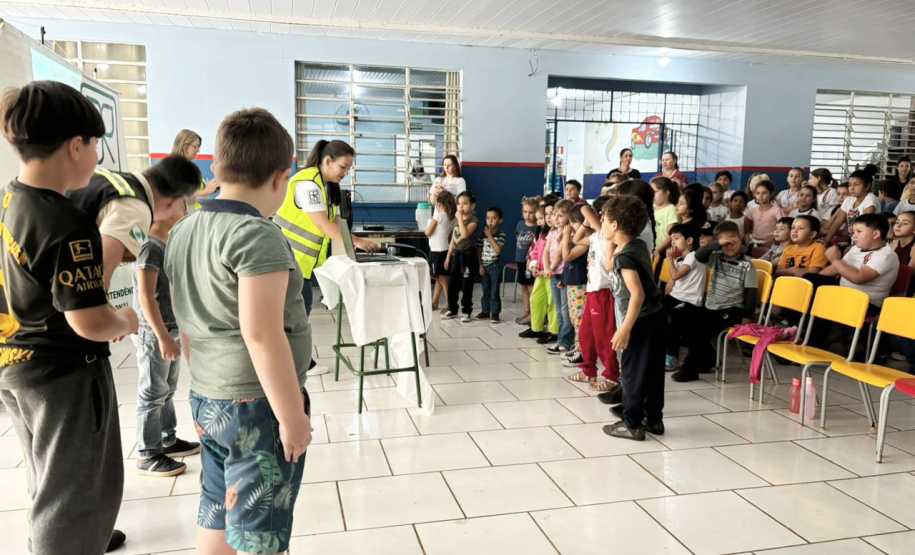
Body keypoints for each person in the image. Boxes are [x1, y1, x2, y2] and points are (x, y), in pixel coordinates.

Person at [165, 108, 313, 555]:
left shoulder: (183, 230)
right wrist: (291, 418)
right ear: (279, 179)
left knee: (218, 505)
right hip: (257, 406)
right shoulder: (256, 234)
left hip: (210, 396)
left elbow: (184, 320)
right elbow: (262, 334)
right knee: (259, 532)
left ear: (216, 167)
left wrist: (204, 386)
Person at [0, 81, 139, 555]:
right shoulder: (67, 223)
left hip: (17, 368)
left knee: (48, 480)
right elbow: (89, 322)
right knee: (77, 496)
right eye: (96, 145)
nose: (97, 157)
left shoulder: (10, 200)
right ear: (76, 145)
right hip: (64, 377)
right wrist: (126, 320)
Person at [275, 139, 379, 376]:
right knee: (295, 315)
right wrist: (357, 242)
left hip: (302, 263)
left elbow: (333, 223)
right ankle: (300, 365)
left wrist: (353, 238)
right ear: (328, 161)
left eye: (349, 169)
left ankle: (298, 363)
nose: (345, 173)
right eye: (343, 167)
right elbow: (323, 225)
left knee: (298, 313)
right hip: (287, 259)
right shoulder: (308, 183)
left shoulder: (324, 185)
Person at [132, 201, 201, 477]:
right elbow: (145, 296)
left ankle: (167, 439)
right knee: (152, 392)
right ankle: (148, 454)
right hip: (154, 331)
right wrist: (161, 336)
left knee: (167, 389)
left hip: (168, 326)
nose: (185, 213)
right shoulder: (150, 247)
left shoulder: (164, 243)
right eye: (181, 207)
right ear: (163, 208)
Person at [67, 154, 201, 290]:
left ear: (152, 169)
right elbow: (93, 280)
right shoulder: (136, 208)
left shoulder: (107, 176)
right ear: (175, 202)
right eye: (181, 207)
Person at [600, 195, 665, 441]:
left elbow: (637, 295)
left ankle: (632, 423)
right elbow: (609, 263)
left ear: (614, 224)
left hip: (640, 320)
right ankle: (653, 419)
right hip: (655, 316)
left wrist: (625, 329)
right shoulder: (634, 246)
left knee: (633, 372)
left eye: (604, 219)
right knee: (652, 371)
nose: (601, 223)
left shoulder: (625, 257)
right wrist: (610, 240)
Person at [687, 221, 759, 382]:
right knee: (692, 322)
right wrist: (717, 244)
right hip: (711, 305)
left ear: (741, 239)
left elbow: (751, 293)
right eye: (725, 243)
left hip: (732, 309)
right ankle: (707, 359)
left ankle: (691, 367)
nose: (730, 246)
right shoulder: (716, 258)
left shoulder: (747, 264)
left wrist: (748, 316)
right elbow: (699, 255)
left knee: (702, 326)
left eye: (733, 241)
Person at [567, 198, 621, 393]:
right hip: (592, 291)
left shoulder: (608, 238)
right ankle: (588, 370)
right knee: (585, 333)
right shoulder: (596, 236)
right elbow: (575, 239)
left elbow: (584, 208)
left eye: (603, 217)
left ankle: (612, 376)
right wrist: (585, 224)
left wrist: (592, 216)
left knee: (604, 337)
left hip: (603, 292)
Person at [662, 223, 707, 373]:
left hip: (690, 301)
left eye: (676, 238)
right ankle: (659, 351)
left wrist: (669, 257)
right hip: (676, 296)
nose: (672, 242)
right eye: (671, 239)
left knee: (672, 317)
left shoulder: (693, 256)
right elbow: (672, 282)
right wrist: (665, 298)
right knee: (653, 310)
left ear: (689, 241)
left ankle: (673, 357)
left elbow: (674, 275)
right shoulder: (681, 258)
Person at [519, 204, 558, 342]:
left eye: (550, 214)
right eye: (545, 215)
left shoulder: (557, 233)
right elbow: (535, 251)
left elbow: (556, 255)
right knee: (536, 299)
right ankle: (537, 328)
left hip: (551, 273)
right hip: (540, 274)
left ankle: (554, 332)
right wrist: (534, 266)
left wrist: (547, 269)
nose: (548, 218)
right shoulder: (542, 233)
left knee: (552, 302)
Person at [560, 204, 589, 367]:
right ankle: (578, 346)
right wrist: (563, 279)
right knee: (573, 317)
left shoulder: (584, 242)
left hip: (580, 285)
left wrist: (565, 237)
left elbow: (567, 257)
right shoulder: (577, 239)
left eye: (574, 223)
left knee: (579, 319)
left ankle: (582, 350)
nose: (571, 226)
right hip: (572, 284)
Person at [546, 200, 576, 354]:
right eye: (554, 215)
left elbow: (559, 254)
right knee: (558, 310)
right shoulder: (552, 233)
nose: (556, 219)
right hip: (553, 274)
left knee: (566, 310)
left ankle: (565, 341)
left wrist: (550, 268)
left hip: (564, 274)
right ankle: (562, 339)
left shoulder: (569, 233)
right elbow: (546, 252)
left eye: (560, 216)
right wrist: (547, 268)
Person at [444, 191, 479, 322]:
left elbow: (464, 234)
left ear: (472, 206)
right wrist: (448, 256)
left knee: (466, 285)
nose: (461, 207)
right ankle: (452, 309)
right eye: (459, 204)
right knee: (453, 283)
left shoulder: (473, 221)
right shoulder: (456, 220)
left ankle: (466, 311)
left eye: (465, 204)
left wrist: (459, 218)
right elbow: (454, 237)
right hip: (456, 255)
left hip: (468, 256)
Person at [824, 170, 880, 244]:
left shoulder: (870, 198)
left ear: (867, 186)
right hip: (855, 241)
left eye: (856, 185)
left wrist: (854, 246)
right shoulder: (849, 200)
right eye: (850, 185)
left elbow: (865, 224)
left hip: (868, 242)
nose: (852, 188)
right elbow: (838, 221)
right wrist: (826, 241)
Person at [172, 129, 218, 212]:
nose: (198, 150)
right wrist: (206, 191)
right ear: (184, 146)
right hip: (187, 218)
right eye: (195, 146)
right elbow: (181, 200)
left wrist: (211, 187)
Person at [425, 190, 456, 312]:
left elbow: (428, 232)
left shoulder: (437, 216)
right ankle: (435, 302)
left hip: (437, 251)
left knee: (442, 279)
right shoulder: (451, 218)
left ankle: (450, 304)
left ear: (439, 204)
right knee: (440, 277)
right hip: (445, 250)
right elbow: (450, 236)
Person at [476, 206, 506, 324]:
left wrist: (490, 236)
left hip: (495, 266)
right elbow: (478, 249)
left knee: (494, 290)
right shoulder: (482, 234)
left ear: (500, 220)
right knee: (485, 290)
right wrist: (480, 265)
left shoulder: (501, 234)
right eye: (488, 218)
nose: (490, 221)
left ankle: (495, 313)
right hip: (484, 266)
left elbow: (498, 249)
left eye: (494, 218)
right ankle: (485, 310)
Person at [514, 196, 541, 325]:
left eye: (531, 212)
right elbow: (517, 238)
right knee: (523, 286)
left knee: (531, 287)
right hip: (520, 260)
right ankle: (526, 310)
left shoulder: (537, 227)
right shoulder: (519, 224)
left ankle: (533, 312)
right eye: (525, 212)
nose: (527, 215)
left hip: (531, 262)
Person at [746, 180, 784, 247]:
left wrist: (773, 239)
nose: (760, 196)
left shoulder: (777, 210)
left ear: (771, 194)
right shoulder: (753, 211)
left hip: (770, 243)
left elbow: (783, 227)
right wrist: (749, 238)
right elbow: (749, 228)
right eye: (758, 193)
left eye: (764, 193)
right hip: (754, 242)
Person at [650, 176, 680, 259]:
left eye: (655, 191)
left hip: (663, 252)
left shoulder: (671, 209)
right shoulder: (650, 207)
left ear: (666, 193)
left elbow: (671, 235)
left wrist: (658, 250)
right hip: (650, 250)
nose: (652, 194)